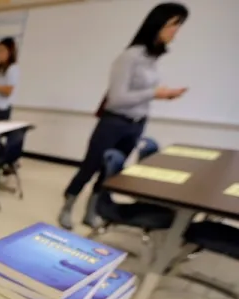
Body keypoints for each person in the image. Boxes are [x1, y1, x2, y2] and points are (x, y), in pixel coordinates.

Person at [58, 2, 189, 230]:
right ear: (157, 25)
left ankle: (92, 210)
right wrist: (155, 93)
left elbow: (140, 95)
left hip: (136, 124)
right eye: (173, 25)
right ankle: (67, 206)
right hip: (114, 122)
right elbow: (117, 98)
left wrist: (163, 95)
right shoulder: (130, 56)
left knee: (111, 172)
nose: (175, 32)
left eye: (178, 26)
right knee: (90, 167)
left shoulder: (151, 59)